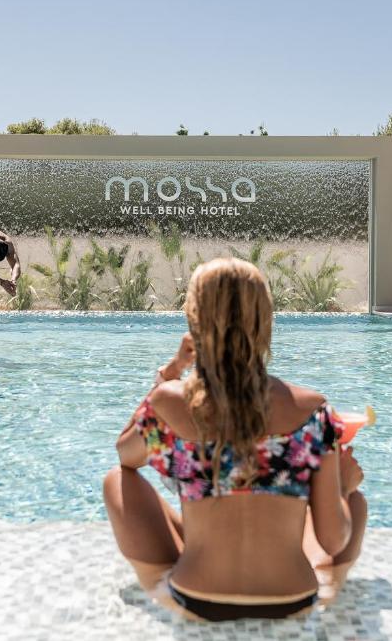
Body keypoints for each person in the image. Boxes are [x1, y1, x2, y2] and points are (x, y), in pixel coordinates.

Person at [103, 258, 367, 621]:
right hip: (294, 598)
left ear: (193, 320)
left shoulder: (169, 402)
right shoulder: (313, 410)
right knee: (354, 498)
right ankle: (330, 584)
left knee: (118, 480)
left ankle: (155, 581)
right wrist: (343, 488)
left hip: (194, 596)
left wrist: (170, 373)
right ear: (266, 320)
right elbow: (333, 540)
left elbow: (124, 455)